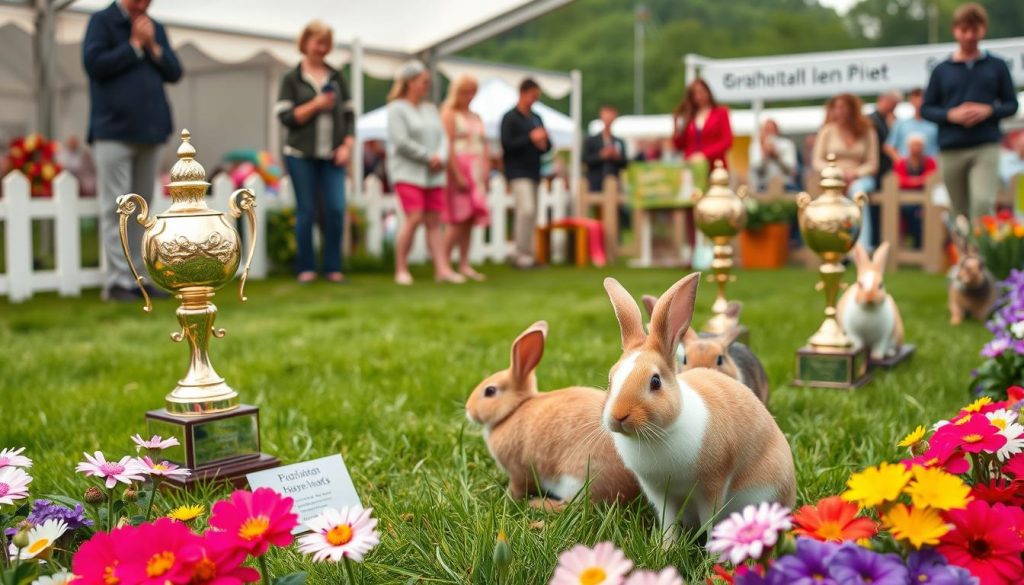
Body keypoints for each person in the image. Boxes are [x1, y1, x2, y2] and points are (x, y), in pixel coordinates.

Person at [83, 0, 182, 302]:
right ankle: (117, 282)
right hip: (113, 131)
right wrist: (134, 45)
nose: (143, 4)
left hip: (150, 131)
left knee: (140, 211)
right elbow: (95, 65)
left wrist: (152, 45)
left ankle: (139, 279)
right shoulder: (102, 21)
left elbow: (175, 72)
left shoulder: (155, 28)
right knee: (118, 208)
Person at [922, 2, 1019, 223]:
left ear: (982, 29)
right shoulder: (941, 70)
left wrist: (989, 110)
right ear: (955, 30)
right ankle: (965, 256)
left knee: (982, 204)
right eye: (964, 30)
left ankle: (983, 257)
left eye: (974, 30)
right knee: (959, 211)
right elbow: (927, 108)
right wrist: (950, 115)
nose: (968, 36)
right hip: (952, 147)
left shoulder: (997, 66)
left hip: (985, 145)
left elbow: (1011, 105)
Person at [275, 20, 354, 284]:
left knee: (335, 208)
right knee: (306, 210)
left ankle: (333, 266)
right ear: (305, 43)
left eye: (326, 43)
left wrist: (347, 145)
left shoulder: (337, 76)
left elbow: (350, 115)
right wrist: (317, 104)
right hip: (300, 153)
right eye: (317, 42)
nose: (322, 48)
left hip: (333, 154)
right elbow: (285, 116)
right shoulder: (291, 78)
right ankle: (305, 267)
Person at [386, 60, 463, 285]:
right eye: (424, 81)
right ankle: (401, 268)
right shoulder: (397, 109)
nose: (427, 85)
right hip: (408, 173)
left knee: (434, 221)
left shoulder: (430, 109)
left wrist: (440, 156)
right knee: (415, 217)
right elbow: (400, 141)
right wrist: (428, 157)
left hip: (433, 174)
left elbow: (442, 137)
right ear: (410, 82)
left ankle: (442, 269)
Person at [813, 93, 879, 249]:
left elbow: (873, 163)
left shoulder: (867, 131)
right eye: (836, 107)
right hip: (834, 179)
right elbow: (817, 161)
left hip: (861, 178)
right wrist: (837, 173)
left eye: (843, 107)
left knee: (858, 192)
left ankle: (861, 247)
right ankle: (835, 245)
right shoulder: (827, 131)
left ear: (852, 109)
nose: (839, 111)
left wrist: (855, 174)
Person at [440, 74, 490, 282]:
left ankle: (464, 263)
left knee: (470, 218)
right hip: (459, 168)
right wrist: (456, 173)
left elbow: (483, 145)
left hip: (476, 168)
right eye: (466, 92)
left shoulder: (476, 116)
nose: (469, 96)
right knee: (457, 218)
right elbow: (448, 145)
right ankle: (443, 265)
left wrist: (485, 172)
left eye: (472, 92)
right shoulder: (449, 114)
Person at [500, 78, 551, 269]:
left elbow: (546, 147)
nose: (535, 100)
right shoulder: (510, 118)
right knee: (526, 210)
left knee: (532, 214)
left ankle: (527, 253)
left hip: (534, 171)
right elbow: (507, 144)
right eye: (533, 96)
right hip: (517, 172)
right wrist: (530, 137)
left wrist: (544, 143)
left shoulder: (536, 118)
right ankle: (521, 254)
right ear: (523, 93)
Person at [671, 78, 733, 171]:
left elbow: (726, 142)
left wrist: (704, 155)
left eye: (701, 92)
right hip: (692, 167)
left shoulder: (721, 113)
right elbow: (679, 145)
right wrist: (676, 127)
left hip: (715, 166)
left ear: (708, 92)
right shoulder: (688, 115)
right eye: (695, 94)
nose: (699, 96)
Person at [885, 88, 939, 161]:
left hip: (930, 169)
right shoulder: (900, 124)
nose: (919, 102)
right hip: (905, 169)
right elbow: (889, 147)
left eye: (921, 98)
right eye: (915, 98)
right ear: (911, 101)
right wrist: (902, 163)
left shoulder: (935, 125)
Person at [583, 105, 628, 192]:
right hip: (595, 183)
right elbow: (585, 159)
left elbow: (625, 163)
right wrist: (601, 156)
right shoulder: (591, 140)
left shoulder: (619, 141)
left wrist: (616, 157)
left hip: (613, 182)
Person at [748, 119, 797, 192]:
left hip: (786, 186)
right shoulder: (756, 146)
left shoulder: (787, 144)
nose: (770, 133)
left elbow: (791, 167)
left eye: (772, 130)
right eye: (767, 130)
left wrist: (777, 156)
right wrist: (764, 154)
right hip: (762, 188)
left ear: (777, 131)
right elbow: (755, 168)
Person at [869, 90, 901, 185]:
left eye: (895, 105)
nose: (893, 108)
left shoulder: (895, 121)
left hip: (889, 167)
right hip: (876, 165)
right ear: (882, 100)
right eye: (892, 104)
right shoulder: (870, 120)